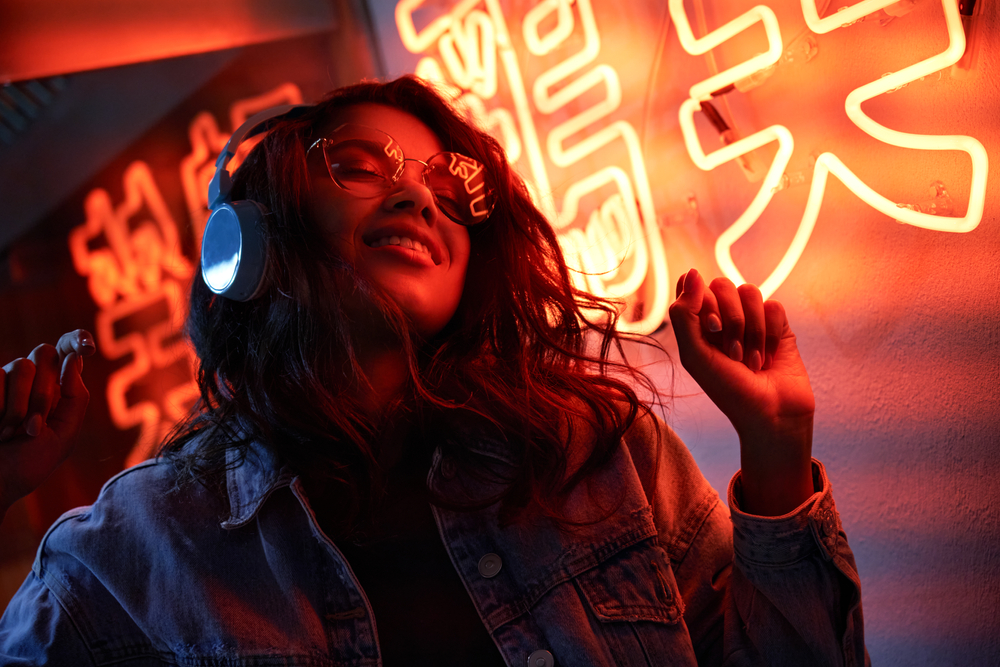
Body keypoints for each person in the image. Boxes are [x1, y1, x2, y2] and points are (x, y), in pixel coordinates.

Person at [0, 76, 867, 666]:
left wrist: (778, 445)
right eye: (363, 168)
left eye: (449, 192)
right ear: (246, 239)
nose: (419, 197)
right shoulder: (135, 550)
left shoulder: (598, 452)